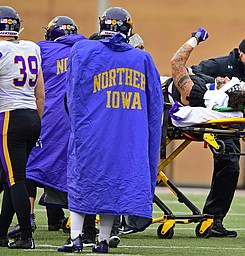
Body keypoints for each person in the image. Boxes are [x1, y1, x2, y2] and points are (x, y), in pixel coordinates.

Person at [58, 6, 163, 253]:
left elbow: (71, 94)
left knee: (82, 180)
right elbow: (155, 104)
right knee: (112, 187)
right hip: (127, 137)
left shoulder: (82, 52)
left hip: (91, 134)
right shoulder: (142, 58)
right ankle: (102, 241)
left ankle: (76, 238)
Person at [21, 15, 97, 246]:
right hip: (82, 121)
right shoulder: (87, 50)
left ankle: (29, 217)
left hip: (49, 117)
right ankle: (89, 229)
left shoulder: (42, 50)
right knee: (80, 171)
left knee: (31, 165)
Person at [190, 31, 245, 237]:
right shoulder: (219, 64)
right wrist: (216, 82)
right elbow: (191, 73)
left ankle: (215, 219)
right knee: (228, 165)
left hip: (233, 128)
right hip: (215, 125)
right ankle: (213, 219)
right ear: (240, 51)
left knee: (231, 170)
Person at [0, 6, 45, 249]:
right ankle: (1, 232)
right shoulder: (32, 48)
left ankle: (26, 236)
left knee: (15, 178)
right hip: (31, 117)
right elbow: (40, 94)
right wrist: (37, 122)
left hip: (9, 116)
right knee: (10, 177)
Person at [167, 28, 245, 127]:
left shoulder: (195, 93)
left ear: (222, 95)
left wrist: (195, 38)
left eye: (227, 82)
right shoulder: (213, 88)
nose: (227, 78)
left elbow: (176, 62)